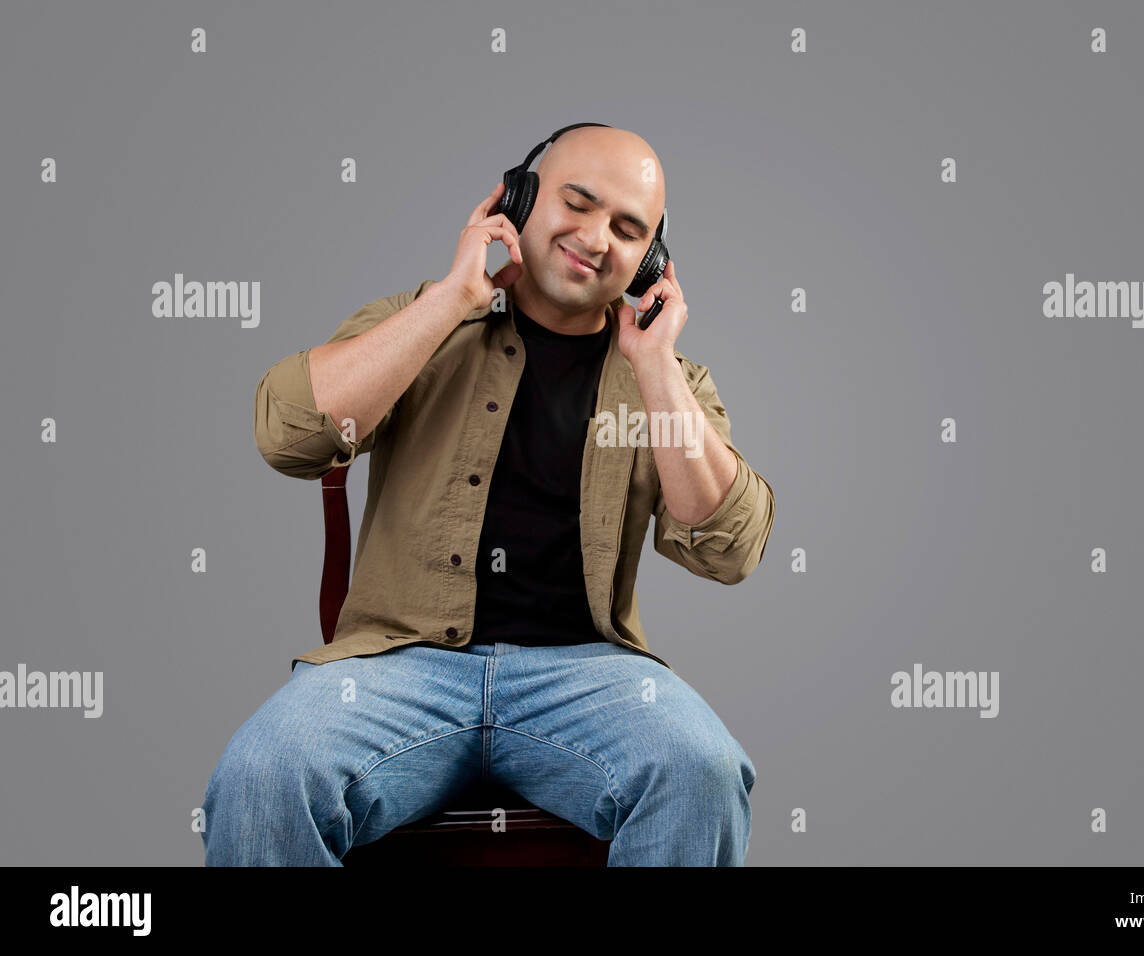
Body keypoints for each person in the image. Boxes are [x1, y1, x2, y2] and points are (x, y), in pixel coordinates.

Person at [201, 124, 775, 865]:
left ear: (650, 260)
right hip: (397, 666)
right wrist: (449, 302)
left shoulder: (672, 381)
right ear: (519, 199)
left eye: (629, 230)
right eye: (578, 203)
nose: (598, 239)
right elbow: (289, 436)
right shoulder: (419, 320)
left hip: (585, 675)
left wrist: (656, 366)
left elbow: (731, 547)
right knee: (263, 773)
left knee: (703, 771)